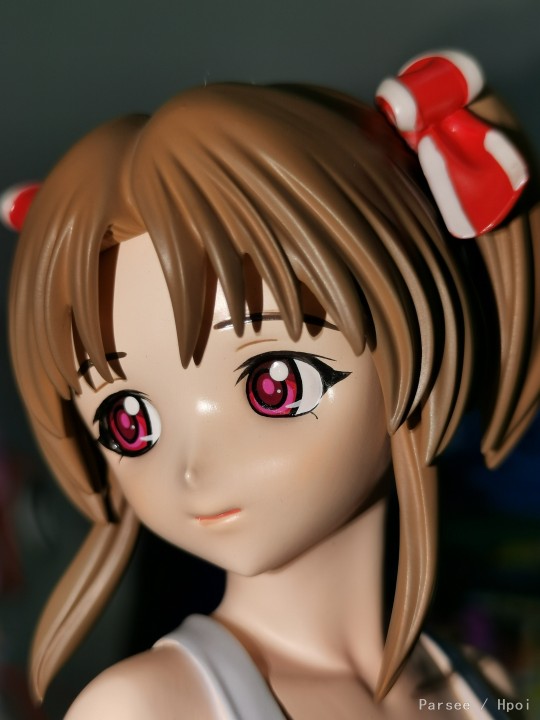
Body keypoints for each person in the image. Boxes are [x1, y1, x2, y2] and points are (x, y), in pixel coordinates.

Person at [7, 51, 539, 718]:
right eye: (129, 422)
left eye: (274, 384)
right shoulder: (148, 708)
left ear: (417, 332)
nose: (192, 470)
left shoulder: (470, 685)